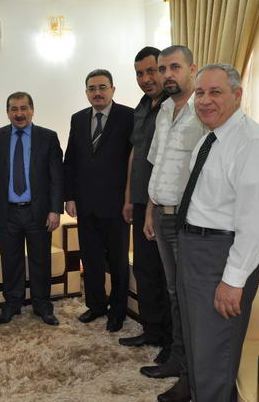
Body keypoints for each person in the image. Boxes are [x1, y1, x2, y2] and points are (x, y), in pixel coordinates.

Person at [176, 64, 259, 402]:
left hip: (220, 254)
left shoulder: (254, 142)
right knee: (197, 345)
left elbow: (256, 220)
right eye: (200, 92)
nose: (204, 100)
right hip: (195, 248)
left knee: (214, 352)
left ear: (237, 95)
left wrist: (233, 281)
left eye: (215, 92)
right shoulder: (211, 138)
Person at [139, 45, 206, 402]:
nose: (167, 74)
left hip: (189, 221)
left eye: (174, 67)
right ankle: (178, 360)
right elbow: (157, 165)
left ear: (192, 69)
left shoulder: (204, 111)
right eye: (163, 68)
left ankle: (192, 374)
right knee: (174, 293)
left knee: (190, 297)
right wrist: (150, 210)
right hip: (162, 216)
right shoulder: (164, 110)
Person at [0, 91, 63, 326]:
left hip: (39, 212)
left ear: (32, 110)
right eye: (14, 109)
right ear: (7, 112)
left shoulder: (48, 137)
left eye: (23, 108)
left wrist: (55, 210)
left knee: (40, 260)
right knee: (10, 260)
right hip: (7, 211)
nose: (19, 113)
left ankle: (42, 305)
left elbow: (57, 177)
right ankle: (12, 304)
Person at [63, 69, 134, 333]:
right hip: (85, 204)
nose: (97, 93)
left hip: (117, 206)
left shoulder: (129, 116)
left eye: (102, 87)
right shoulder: (78, 118)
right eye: (92, 88)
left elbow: (133, 162)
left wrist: (130, 200)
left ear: (113, 89)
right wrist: (69, 197)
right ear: (86, 93)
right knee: (91, 259)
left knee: (117, 262)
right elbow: (70, 160)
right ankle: (95, 305)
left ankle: (117, 311)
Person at [118, 47, 172, 364]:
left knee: (166, 274)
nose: (146, 78)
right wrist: (128, 197)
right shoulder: (141, 106)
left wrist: (150, 207)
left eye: (151, 71)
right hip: (140, 202)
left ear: (163, 70)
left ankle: (171, 340)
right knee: (144, 268)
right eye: (140, 73)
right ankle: (151, 330)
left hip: (163, 205)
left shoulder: (174, 107)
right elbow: (135, 154)